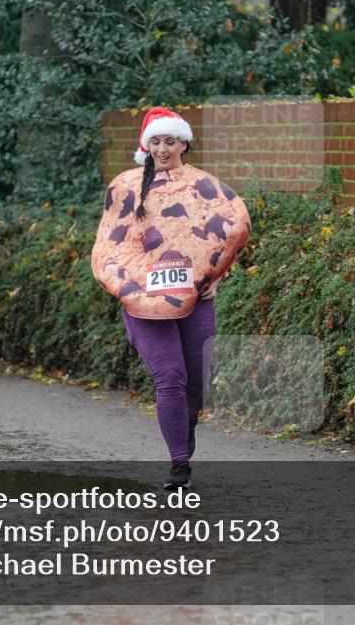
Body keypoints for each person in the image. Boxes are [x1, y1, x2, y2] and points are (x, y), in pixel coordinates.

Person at [91, 107, 250, 490]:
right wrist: (128, 287)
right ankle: (180, 465)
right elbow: (110, 245)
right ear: (146, 146)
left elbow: (232, 228)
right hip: (144, 305)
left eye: (170, 142)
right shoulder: (126, 186)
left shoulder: (203, 185)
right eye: (156, 142)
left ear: (184, 144)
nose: (163, 149)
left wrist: (218, 275)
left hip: (195, 299)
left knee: (195, 386)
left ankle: (184, 427)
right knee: (170, 378)